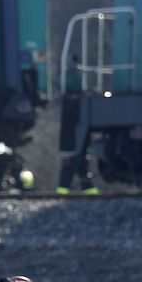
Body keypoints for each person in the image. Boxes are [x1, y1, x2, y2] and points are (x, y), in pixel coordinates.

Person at [57, 54, 98, 195]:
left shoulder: (70, 103)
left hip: (72, 147)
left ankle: (82, 191)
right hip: (72, 146)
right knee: (78, 165)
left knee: (78, 165)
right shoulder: (73, 104)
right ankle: (66, 191)